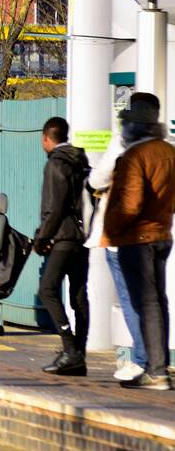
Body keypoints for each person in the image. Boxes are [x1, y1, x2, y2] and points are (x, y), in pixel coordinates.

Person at [101, 92, 175, 391]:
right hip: (161, 234)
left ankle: (155, 371)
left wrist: (112, 227)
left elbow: (129, 204)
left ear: (133, 127)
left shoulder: (134, 156)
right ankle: (159, 366)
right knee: (159, 301)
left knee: (145, 304)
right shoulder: (168, 152)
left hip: (136, 238)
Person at [86, 132, 148, 381]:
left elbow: (97, 180)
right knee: (151, 301)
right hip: (154, 235)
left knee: (131, 299)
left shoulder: (123, 141)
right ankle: (153, 361)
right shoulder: (162, 148)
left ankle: (141, 360)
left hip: (121, 236)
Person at [32, 117, 92, 376]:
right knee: (79, 296)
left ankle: (69, 349)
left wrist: (42, 238)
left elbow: (55, 207)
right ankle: (79, 353)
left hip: (63, 238)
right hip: (82, 237)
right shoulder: (80, 160)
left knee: (47, 290)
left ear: (47, 138)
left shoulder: (56, 164)